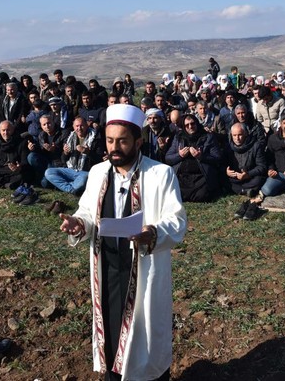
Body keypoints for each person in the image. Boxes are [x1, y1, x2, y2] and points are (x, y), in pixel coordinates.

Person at [59, 104, 187, 381]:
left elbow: (177, 222)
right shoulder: (97, 173)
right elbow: (87, 213)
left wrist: (152, 233)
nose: (114, 147)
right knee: (110, 328)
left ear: (138, 142)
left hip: (143, 271)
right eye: (109, 140)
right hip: (106, 267)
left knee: (146, 336)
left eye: (122, 141)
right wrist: (78, 223)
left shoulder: (161, 174)